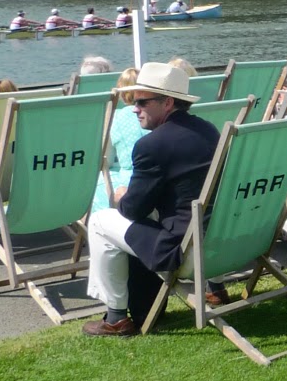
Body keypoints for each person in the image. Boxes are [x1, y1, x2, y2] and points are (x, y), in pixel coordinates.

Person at [83, 62, 224, 336]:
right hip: (223, 245)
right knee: (148, 218)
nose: (135, 109)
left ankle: (115, 317)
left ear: (168, 102)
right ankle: (215, 290)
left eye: (142, 102)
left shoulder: (152, 145)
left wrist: (119, 196)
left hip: (187, 253)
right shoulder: (208, 131)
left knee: (100, 221)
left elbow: (134, 209)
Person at [92, 67, 145, 213]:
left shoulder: (115, 117)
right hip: (157, 178)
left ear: (121, 93)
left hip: (130, 181)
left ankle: (89, 227)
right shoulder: (156, 114)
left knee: (93, 184)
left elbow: (107, 161)